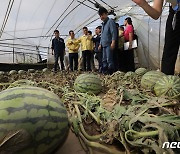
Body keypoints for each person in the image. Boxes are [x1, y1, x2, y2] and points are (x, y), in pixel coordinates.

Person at [132, 0, 180, 75]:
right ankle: (166, 81)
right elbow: (156, 14)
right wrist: (142, 3)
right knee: (169, 49)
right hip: (175, 14)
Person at [98, 7, 117, 75]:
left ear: (106, 14)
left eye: (102, 15)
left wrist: (113, 41)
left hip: (109, 44)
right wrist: (100, 44)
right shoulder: (103, 24)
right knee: (104, 59)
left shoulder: (110, 21)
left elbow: (113, 32)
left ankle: (110, 72)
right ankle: (105, 71)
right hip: (104, 44)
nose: (101, 17)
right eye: (100, 16)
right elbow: (102, 35)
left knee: (109, 59)